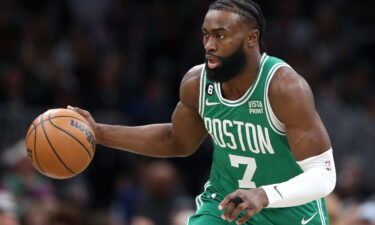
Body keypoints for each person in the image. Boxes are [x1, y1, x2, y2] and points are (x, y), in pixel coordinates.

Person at [69, 0, 336, 224]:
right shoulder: (197, 83)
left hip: (290, 212)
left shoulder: (284, 88)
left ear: (252, 38)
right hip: (226, 206)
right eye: (206, 34)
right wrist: (98, 132)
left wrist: (264, 195)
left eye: (220, 35)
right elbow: (175, 141)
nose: (209, 44)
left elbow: (324, 175)